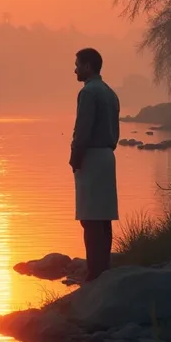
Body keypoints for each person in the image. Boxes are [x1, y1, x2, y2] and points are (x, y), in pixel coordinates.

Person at [69, 48, 120, 282]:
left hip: (92, 156)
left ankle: (94, 273)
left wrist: (75, 158)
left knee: (90, 218)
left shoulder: (89, 92)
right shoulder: (110, 92)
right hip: (108, 156)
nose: (75, 69)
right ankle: (104, 269)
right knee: (104, 216)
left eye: (78, 64)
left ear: (88, 66)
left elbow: (83, 130)